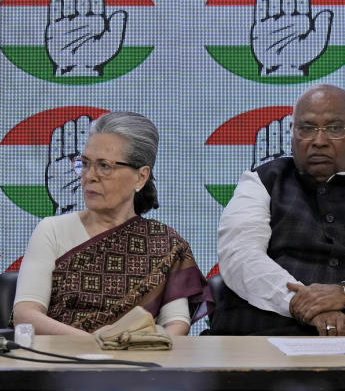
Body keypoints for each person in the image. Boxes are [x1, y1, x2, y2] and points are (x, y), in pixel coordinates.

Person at [210, 84, 345, 336]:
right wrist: (303, 303)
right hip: (262, 334)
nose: (319, 141)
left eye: (334, 129)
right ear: (292, 134)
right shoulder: (260, 182)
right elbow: (241, 257)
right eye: (307, 129)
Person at [13, 111, 211, 336]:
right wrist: (94, 344)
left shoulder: (165, 243)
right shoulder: (52, 230)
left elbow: (176, 324)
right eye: (85, 164)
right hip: (63, 362)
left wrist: (144, 350)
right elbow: (25, 316)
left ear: (140, 177)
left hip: (140, 365)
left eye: (104, 166)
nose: (89, 176)